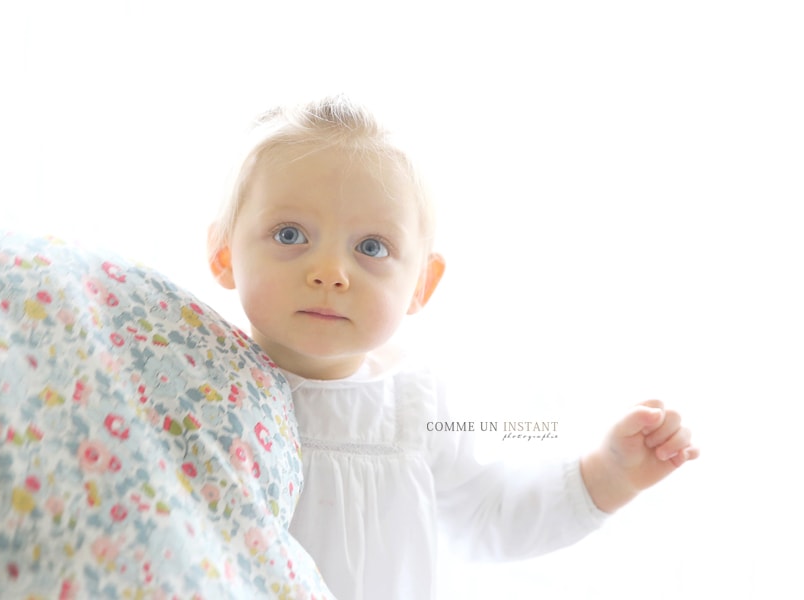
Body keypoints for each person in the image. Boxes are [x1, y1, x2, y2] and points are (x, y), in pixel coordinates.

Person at [206, 95, 699, 599]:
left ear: (422, 283)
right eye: (290, 235)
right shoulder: (202, 382)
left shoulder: (415, 408)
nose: (330, 272)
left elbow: (491, 516)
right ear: (223, 253)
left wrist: (610, 474)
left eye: (371, 247)